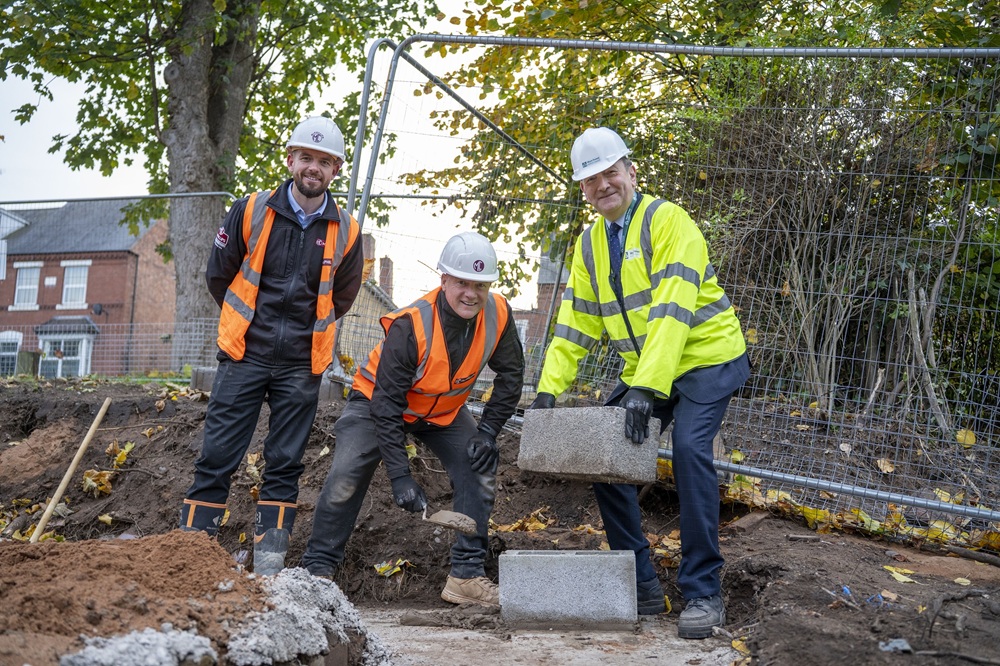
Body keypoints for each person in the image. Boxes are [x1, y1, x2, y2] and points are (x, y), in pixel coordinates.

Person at [528, 127, 750, 638]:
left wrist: (648, 389)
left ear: (631, 172)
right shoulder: (588, 246)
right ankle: (643, 583)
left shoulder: (668, 221)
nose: (603, 185)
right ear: (583, 191)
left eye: (610, 173)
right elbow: (574, 322)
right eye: (591, 180)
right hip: (650, 368)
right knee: (608, 454)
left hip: (706, 358)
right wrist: (548, 389)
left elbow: (672, 308)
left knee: (691, 450)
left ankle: (702, 591)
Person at [178, 116, 364, 576]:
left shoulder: (348, 231)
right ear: (290, 160)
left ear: (336, 168)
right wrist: (248, 325)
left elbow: (342, 296)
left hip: (302, 364)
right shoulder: (252, 210)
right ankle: (190, 564)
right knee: (217, 457)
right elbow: (218, 275)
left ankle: (270, 572)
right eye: (306, 158)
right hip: (244, 355)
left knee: (284, 463)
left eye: (323, 161)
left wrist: (301, 334)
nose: (313, 168)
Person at [301, 231, 525, 607]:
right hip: (377, 405)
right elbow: (386, 407)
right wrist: (401, 478)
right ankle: (317, 573)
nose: (471, 293)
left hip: (441, 412)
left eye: (480, 285)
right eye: (462, 283)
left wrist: (487, 433)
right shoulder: (411, 325)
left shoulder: (498, 314)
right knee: (345, 475)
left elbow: (512, 376)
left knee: (479, 467)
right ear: (444, 281)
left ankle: (466, 576)